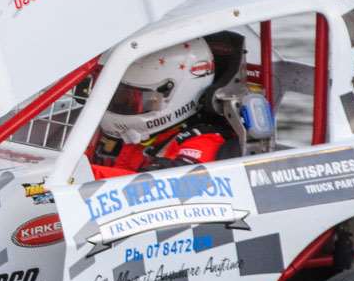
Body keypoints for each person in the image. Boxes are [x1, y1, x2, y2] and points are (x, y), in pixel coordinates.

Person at [89, 35, 243, 177]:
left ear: (180, 93)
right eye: (121, 97)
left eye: (139, 98)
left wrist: (80, 178)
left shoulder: (204, 142)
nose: (125, 104)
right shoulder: (141, 135)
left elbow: (151, 187)